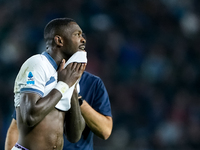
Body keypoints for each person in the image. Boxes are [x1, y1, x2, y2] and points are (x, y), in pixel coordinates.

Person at [5, 19, 113, 150]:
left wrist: (72, 89)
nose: (83, 40)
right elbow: (30, 117)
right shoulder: (37, 64)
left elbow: (74, 136)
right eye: (77, 35)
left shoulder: (68, 76)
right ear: (59, 40)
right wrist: (63, 84)